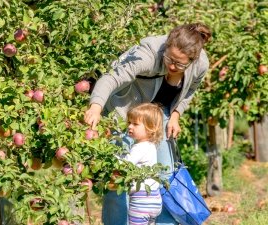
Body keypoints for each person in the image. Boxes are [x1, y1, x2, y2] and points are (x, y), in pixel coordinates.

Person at [84, 23, 212, 225]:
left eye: (179, 64)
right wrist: (96, 106)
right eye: (169, 59)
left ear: (192, 59)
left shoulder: (201, 63)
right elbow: (112, 78)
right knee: (118, 175)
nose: (172, 66)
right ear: (166, 47)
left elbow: (190, 90)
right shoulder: (148, 55)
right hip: (129, 114)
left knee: (165, 175)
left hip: (160, 116)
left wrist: (177, 114)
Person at [122, 103, 163, 225]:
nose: (130, 126)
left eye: (135, 124)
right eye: (129, 122)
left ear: (151, 128)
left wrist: (112, 159)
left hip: (141, 200)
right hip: (155, 198)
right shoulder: (151, 146)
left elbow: (126, 164)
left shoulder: (139, 147)